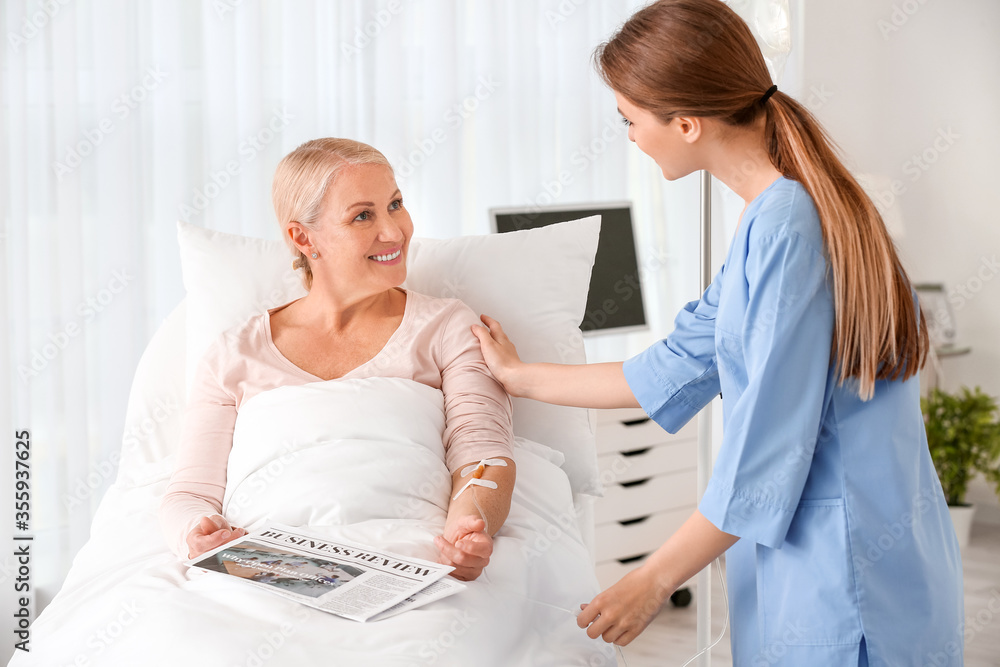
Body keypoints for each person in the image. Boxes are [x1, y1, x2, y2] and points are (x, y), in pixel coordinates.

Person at [471, 0, 963, 663]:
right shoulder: (779, 213)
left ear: (686, 122)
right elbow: (676, 364)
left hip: (847, 575)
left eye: (630, 119)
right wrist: (517, 375)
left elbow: (764, 451)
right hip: (852, 555)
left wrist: (654, 578)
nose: (630, 137)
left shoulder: (789, 226)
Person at [159, 138, 516, 582]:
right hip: (268, 566)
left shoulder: (446, 326)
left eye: (396, 204)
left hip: (412, 558)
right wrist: (198, 533)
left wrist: (468, 527)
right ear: (303, 238)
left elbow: (482, 456)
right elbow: (190, 492)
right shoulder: (235, 353)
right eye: (363, 215)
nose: (394, 231)